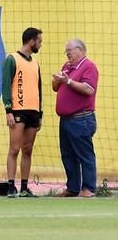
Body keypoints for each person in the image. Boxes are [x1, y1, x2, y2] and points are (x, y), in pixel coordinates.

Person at [52, 38, 98, 198]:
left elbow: (88, 89)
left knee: (84, 154)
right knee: (67, 155)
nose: (67, 55)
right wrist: (57, 80)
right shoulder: (67, 67)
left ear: (80, 50)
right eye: (66, 52)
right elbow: (55, 88)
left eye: (69, 51)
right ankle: (72, 187)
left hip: (81, 119)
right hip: (65, 119)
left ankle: (89, 188)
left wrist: (69, 81)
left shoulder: (89, 67)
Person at [2, 27, 43, 198]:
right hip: (18, 110)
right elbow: (5, 85)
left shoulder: (35, 63)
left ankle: (24, 187)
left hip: (33, 111)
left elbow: (39, 89)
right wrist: (8, 110)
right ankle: (11, 186)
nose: (40, 44)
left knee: (28, 150)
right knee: (14, 149)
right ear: (31, 41)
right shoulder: (12, 59)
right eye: (39, 41)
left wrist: (40, 113)